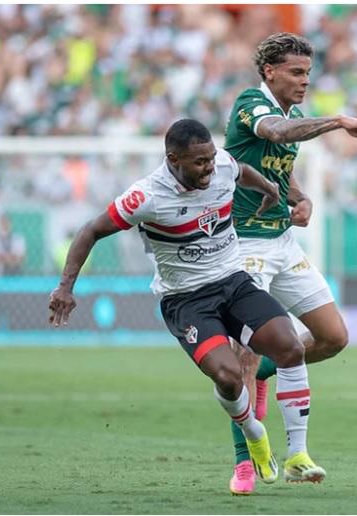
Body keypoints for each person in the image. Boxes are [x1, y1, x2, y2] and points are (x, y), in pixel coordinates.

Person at [48, 118, 320, 490]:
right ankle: (254, 433)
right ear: (173, 159)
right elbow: (91, 230)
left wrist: (272, 190)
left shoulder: (220, 165)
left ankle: (298, 456)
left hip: (234, 282)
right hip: (187, 300)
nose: (209, 167)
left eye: (210, 158)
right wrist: (66, 286)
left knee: (289, 346)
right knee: (227, 375)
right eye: (199, 162)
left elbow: (240, 170)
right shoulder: (146, 196)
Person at [222, 32, 357, 495]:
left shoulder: (291, 114)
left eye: (308, 72)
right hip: (241, 245)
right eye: (296, 72)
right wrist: (337, 122)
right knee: (242, 357)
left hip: (282, 243)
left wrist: (302, 198)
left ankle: (271, 371)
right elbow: (275, 134)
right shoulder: (252, 104)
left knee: (333, 337)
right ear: (270, 71)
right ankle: (245, 464)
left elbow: (276, 169)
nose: (304, 81)